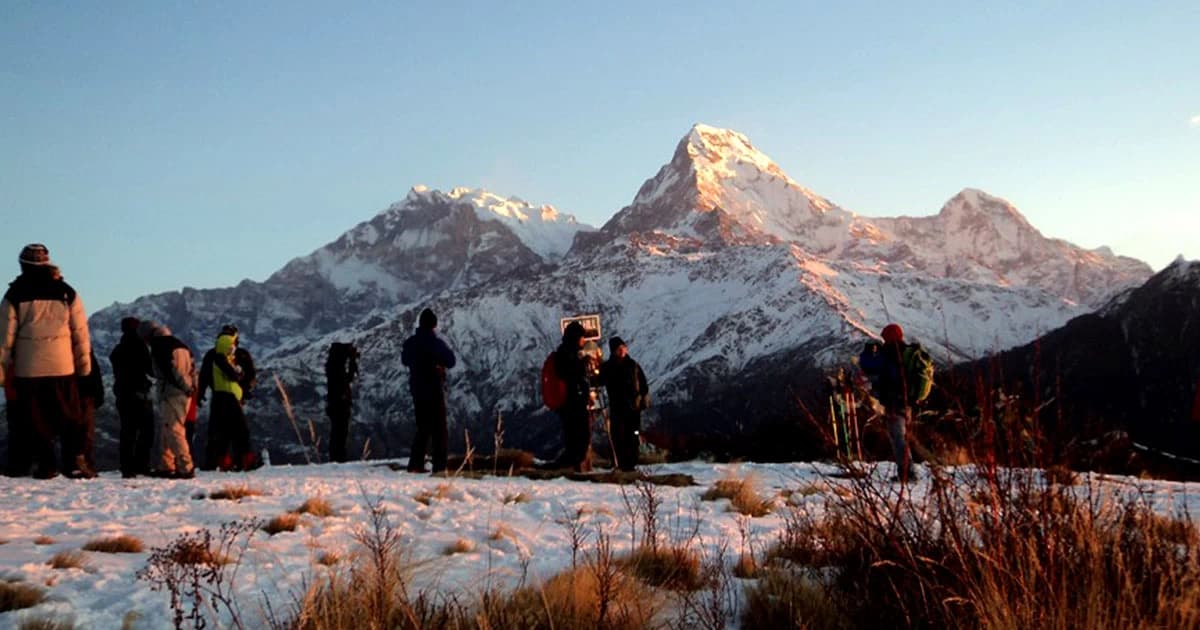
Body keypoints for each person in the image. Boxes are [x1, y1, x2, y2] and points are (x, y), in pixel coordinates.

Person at [0, 244, 92, 479]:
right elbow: (80, 333)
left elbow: (5, 339)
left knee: (36, 419)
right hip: (63, 366)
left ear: (23, 265)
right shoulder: (66, 292)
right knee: (69, 416)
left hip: (28, 368)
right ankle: (73, 462)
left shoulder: (14, 294)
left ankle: (46, 465)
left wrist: (1, 370)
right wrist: (84, 368)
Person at [859, 323, 918, 482]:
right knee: (902, 436)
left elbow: (868, 365)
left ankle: (907, 473)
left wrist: (868, 351)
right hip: (908, 402)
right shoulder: (906, 352)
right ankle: (907, 470)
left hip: (894, 402)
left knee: (897, 437)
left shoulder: (889, 353)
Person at [400, 308, 456, 474]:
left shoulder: (411, 342)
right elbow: (451, 361)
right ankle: (439, 466)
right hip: (434, 388)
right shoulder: (436, 343)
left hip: (417, 389)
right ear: (434, 325)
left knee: (422, 427)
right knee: (439, 429)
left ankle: (415, 464)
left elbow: (405, 360)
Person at [138, 320, 196, 478]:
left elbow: (169, 370)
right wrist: (192, 388)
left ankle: (186, 467)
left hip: (171, 393)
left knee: (174, 429)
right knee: (167, 428)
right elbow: (192, 367)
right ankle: (166, 465)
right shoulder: (181, 344)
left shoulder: (159, 345)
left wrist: (183, 386)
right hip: (184, 393)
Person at [199, 327, 252, 471]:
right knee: (238, 430)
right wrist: (245, 390)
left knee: (217, 430)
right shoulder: (239, 354)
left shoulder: (212, 354)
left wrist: (201, 392)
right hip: (234, 395)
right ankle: (240, 461)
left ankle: (215, 461)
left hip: (218, 395)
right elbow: (249, 374)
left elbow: (204, 375)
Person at [110, 316, 155, 477]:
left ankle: (127, 467)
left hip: (122, 393)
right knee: (146, 430)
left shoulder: (117, 349)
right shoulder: (140, 346)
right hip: (139, 393)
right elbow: (151, 369)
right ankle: (141, 464)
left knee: (127, 431)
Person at [598, 336, 649, 472]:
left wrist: (644, 397)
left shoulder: (633, 365)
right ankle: (620, 462)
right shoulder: (608, 367)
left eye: (623, 347)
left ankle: (631, 462)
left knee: (633, 434)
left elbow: (643, 383)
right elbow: (598, 380)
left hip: (633, 407)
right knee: (617, 435)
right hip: (617, 406)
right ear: (614, 351)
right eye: (619, 348)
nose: (622, 350)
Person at [553, 321, 594, 472]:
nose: (584, 340)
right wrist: (582, 364)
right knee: (579, 435)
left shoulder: (568, 352)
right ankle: (573, 464)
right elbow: (570, 375)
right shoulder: (567, 354)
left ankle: (574, 463)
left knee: (576, 434)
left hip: (572, 401)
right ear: (576, 337)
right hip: (572, 401)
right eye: (582, 337)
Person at [325, 342, 359, 463]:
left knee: (339, 431)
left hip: (337, 403)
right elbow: (347, 380)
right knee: (339, 432)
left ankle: (337, 457)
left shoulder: (333, 365)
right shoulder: (335, 367)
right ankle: (338, 458)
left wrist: (351, 361)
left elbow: (348, 378)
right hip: (339, 403)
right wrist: (352, 361)